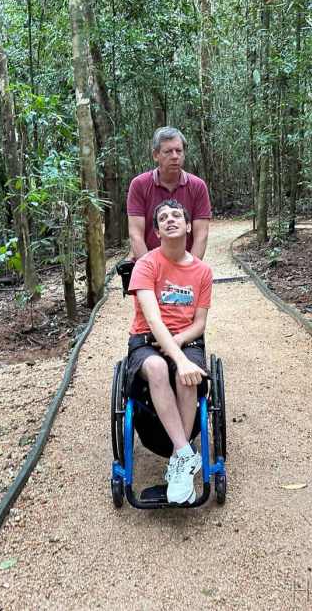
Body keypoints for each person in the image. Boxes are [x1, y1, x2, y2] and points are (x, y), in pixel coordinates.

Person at [126, 199, 212, 504]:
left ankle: (179, 463)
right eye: (163, 217)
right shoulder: (146, 265)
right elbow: (152, 318)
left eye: (177, 215)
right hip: (146, 341)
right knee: (162, 368)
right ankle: (185, 453)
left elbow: (199, 323)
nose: (170, 219)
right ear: (157, 231)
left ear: (188, 226)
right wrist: (176, 356)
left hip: (186, 339)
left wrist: (178, 348)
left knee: (187, 376)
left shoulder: (203, 272)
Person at [127, 127, 211, 261]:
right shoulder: (139, 185)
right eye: (168, 152)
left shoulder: (198, 186)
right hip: (149, 265)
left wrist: (189, 270)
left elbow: (201, 235)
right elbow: (136, 235)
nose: (175, 156)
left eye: (179, 151)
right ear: (156, 155)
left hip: (186, 264)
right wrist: (149, 271)